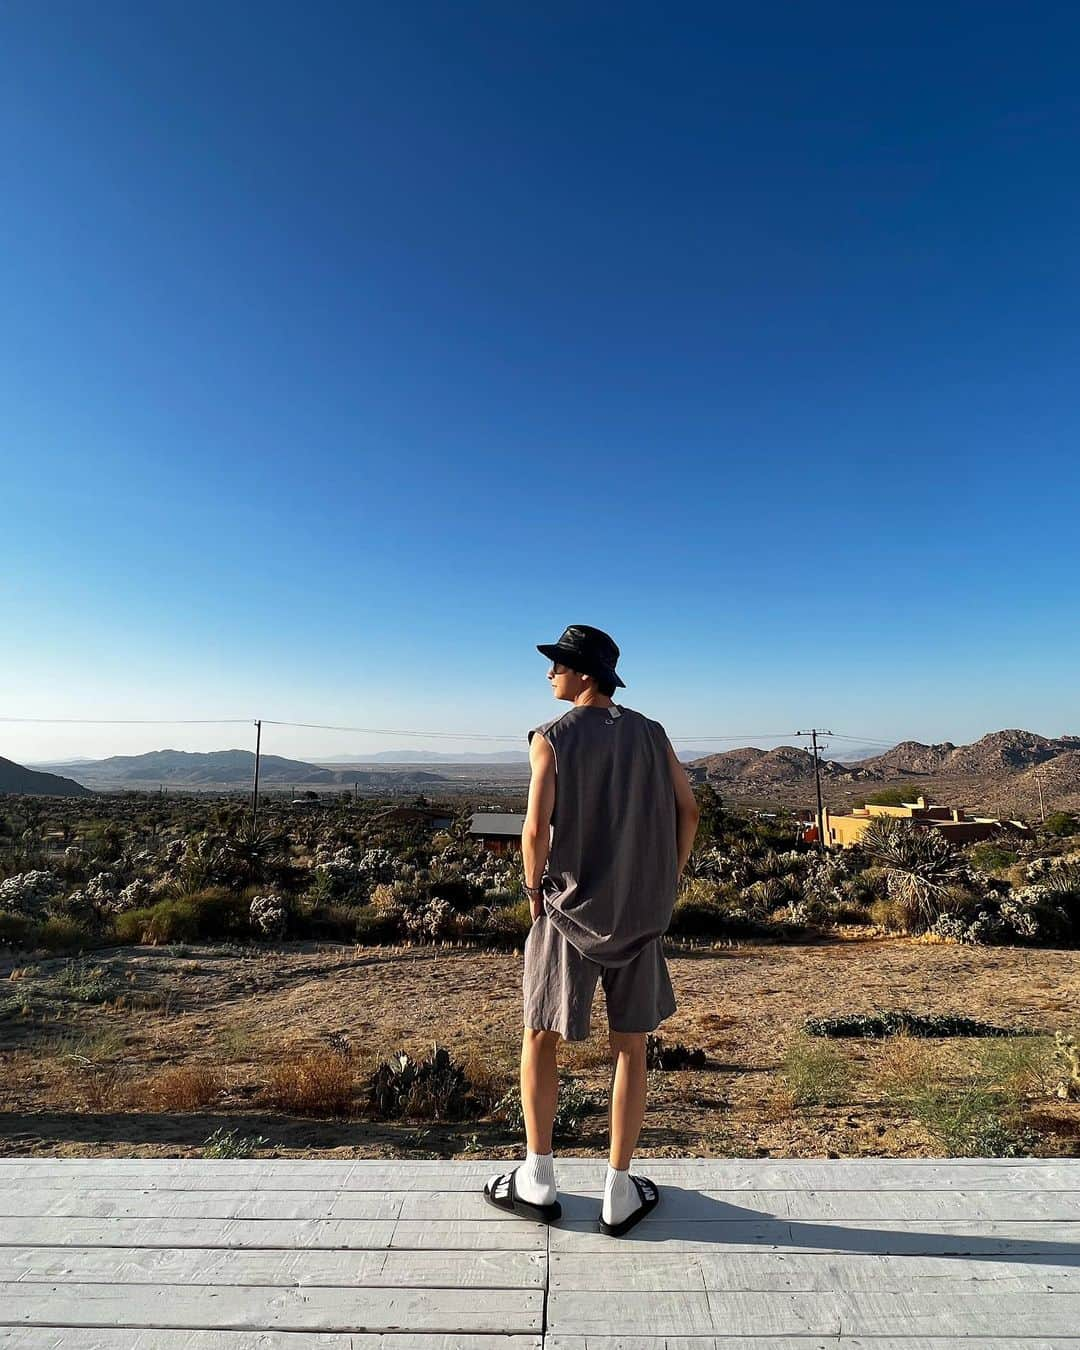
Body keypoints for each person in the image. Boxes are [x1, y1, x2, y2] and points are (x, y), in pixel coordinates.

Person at [484, 624, 701, 1236]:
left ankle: (540, 1178)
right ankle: (618, 1189)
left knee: (540, 1037)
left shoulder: (551, 738)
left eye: (556, 664)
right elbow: (690, 812)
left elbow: (535, 829)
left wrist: (532, 894)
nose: (549, 674)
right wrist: (664, 877)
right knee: (631, 1047)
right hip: (640, 915)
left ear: (582, 673)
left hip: (568, 916)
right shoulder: (652, 735)